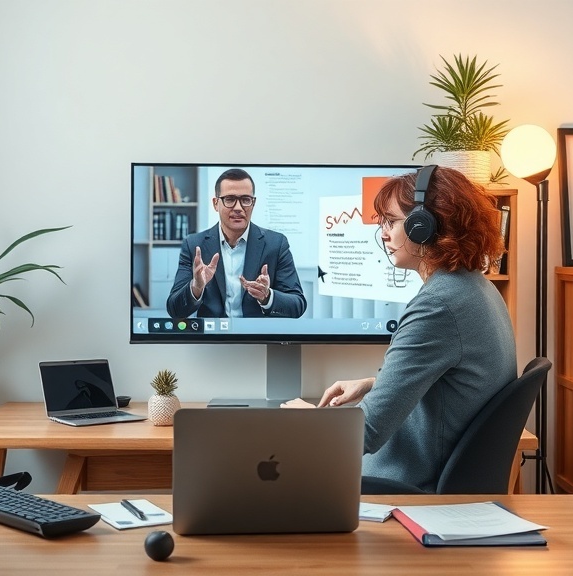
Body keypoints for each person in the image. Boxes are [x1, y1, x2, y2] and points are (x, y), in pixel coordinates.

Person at [283, 165, 516, 492]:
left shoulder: (437, 306)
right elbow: (457, 380)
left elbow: (366, 434)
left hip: (404, 486)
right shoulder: (476, 289)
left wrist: (307, 418)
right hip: (425, 472)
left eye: (391, 222)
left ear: (426, 226)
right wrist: (373, 384)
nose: (383, 233)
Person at [166, 168, 307, 319]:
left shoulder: (276, 244)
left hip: (258, 338)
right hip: (213, 338)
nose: (239, 208)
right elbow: (175, 310)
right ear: (215, 203)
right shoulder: (194, 245)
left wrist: (267, 297)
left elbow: (297, 305)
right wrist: (196, 287)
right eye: (230, 199)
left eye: (246, 199)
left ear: (253, 203)